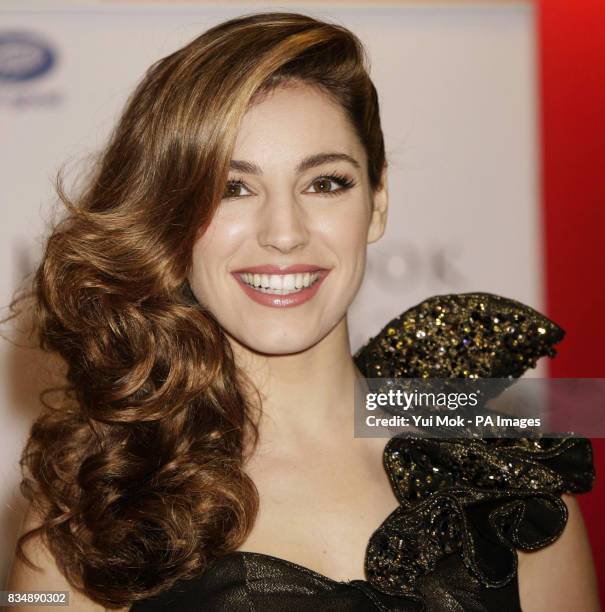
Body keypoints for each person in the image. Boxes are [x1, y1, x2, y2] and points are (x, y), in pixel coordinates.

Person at [6, 11, 599, 612]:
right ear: (174, 217)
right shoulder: (89, 509)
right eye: (231, 189)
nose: (284, 233)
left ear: (377, 200)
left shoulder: (503, 464)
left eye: (326, 183)